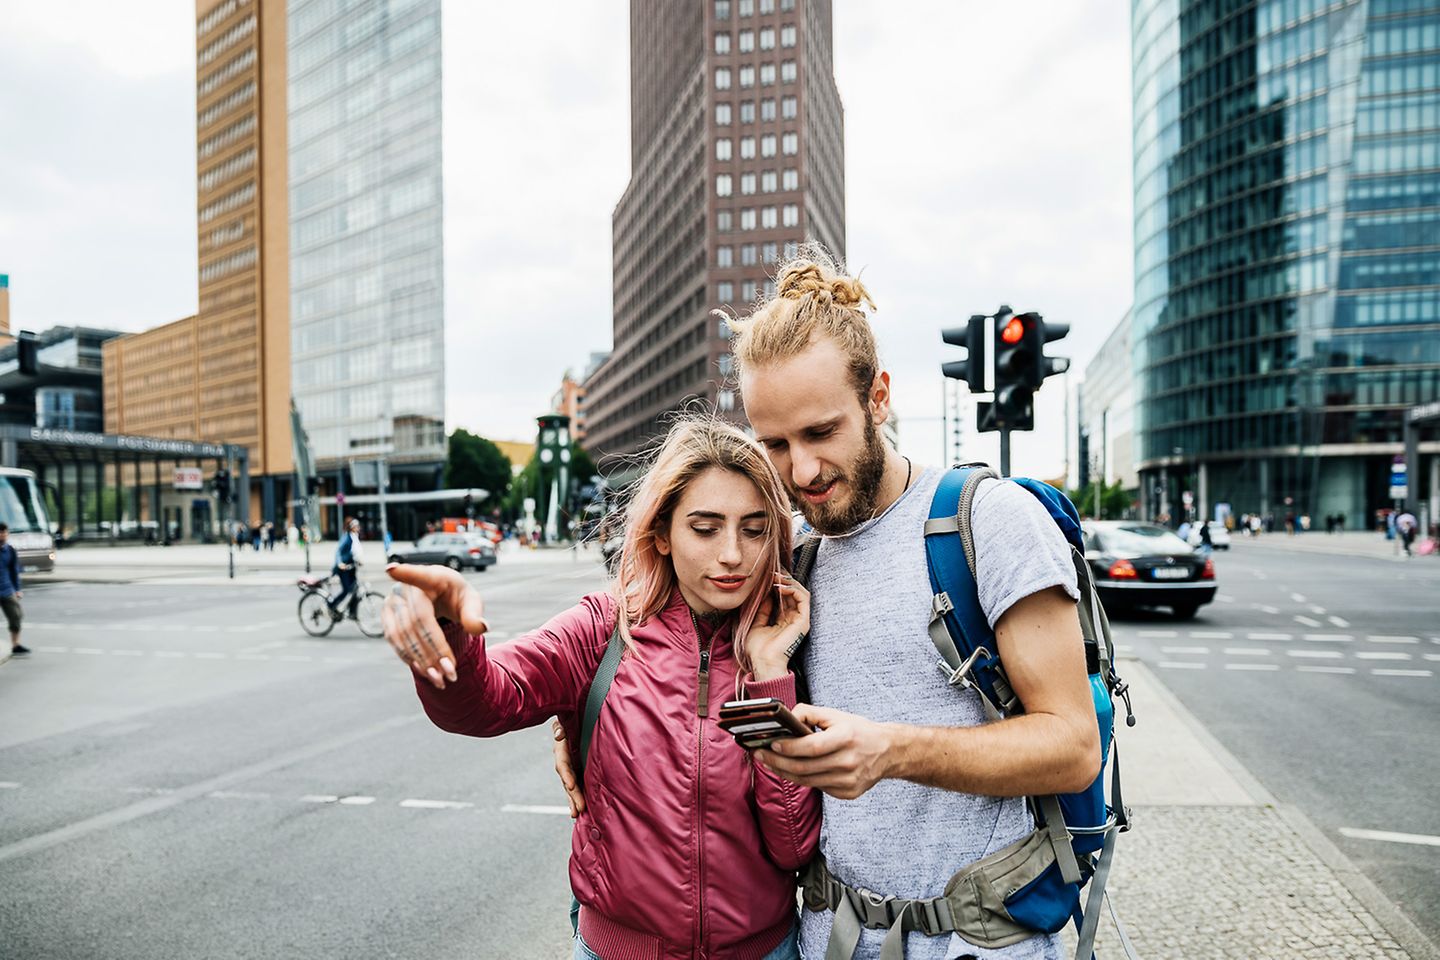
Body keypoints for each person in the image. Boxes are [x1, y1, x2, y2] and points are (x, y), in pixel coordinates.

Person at [554, 252, 1100, 959]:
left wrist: (892, 750)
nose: (801, 471)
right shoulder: (792, 559)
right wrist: (583, 721)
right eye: (774, 443)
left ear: (878, 399)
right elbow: (675, 661)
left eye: (820, 433)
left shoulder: (986, 524)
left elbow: (1073, 746)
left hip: (976, 943)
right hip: (825, 940)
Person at [383, 420, 819, 960]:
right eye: (705, 528)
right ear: (661, 531)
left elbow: (793, 846)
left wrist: (770, 673)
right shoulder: (603, 631)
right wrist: (449, 629)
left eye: (753, 530)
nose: (732, 554)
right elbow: (484, 703)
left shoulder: (794, 638)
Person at [0, 523, 27, 657]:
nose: (3, 535)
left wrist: (17, 589)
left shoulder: (10, 550)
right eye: (0, 533)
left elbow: (14, 571)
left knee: (17, 615)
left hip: (6, 589)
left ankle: (15, 645)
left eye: (5, 532)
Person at [328, 518, 362, 619]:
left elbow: (355, 552)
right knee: (347, 590)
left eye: (358, 526)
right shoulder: (346, 537)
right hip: (343, 569)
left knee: (355, 589)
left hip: (351, 568)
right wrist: (339, 563)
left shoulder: (355, 537)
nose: (358, 528)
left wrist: (359, 561)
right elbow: (338, 551)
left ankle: (352, 613)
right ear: (351, 527)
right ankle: (331, 605)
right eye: (356, 526)